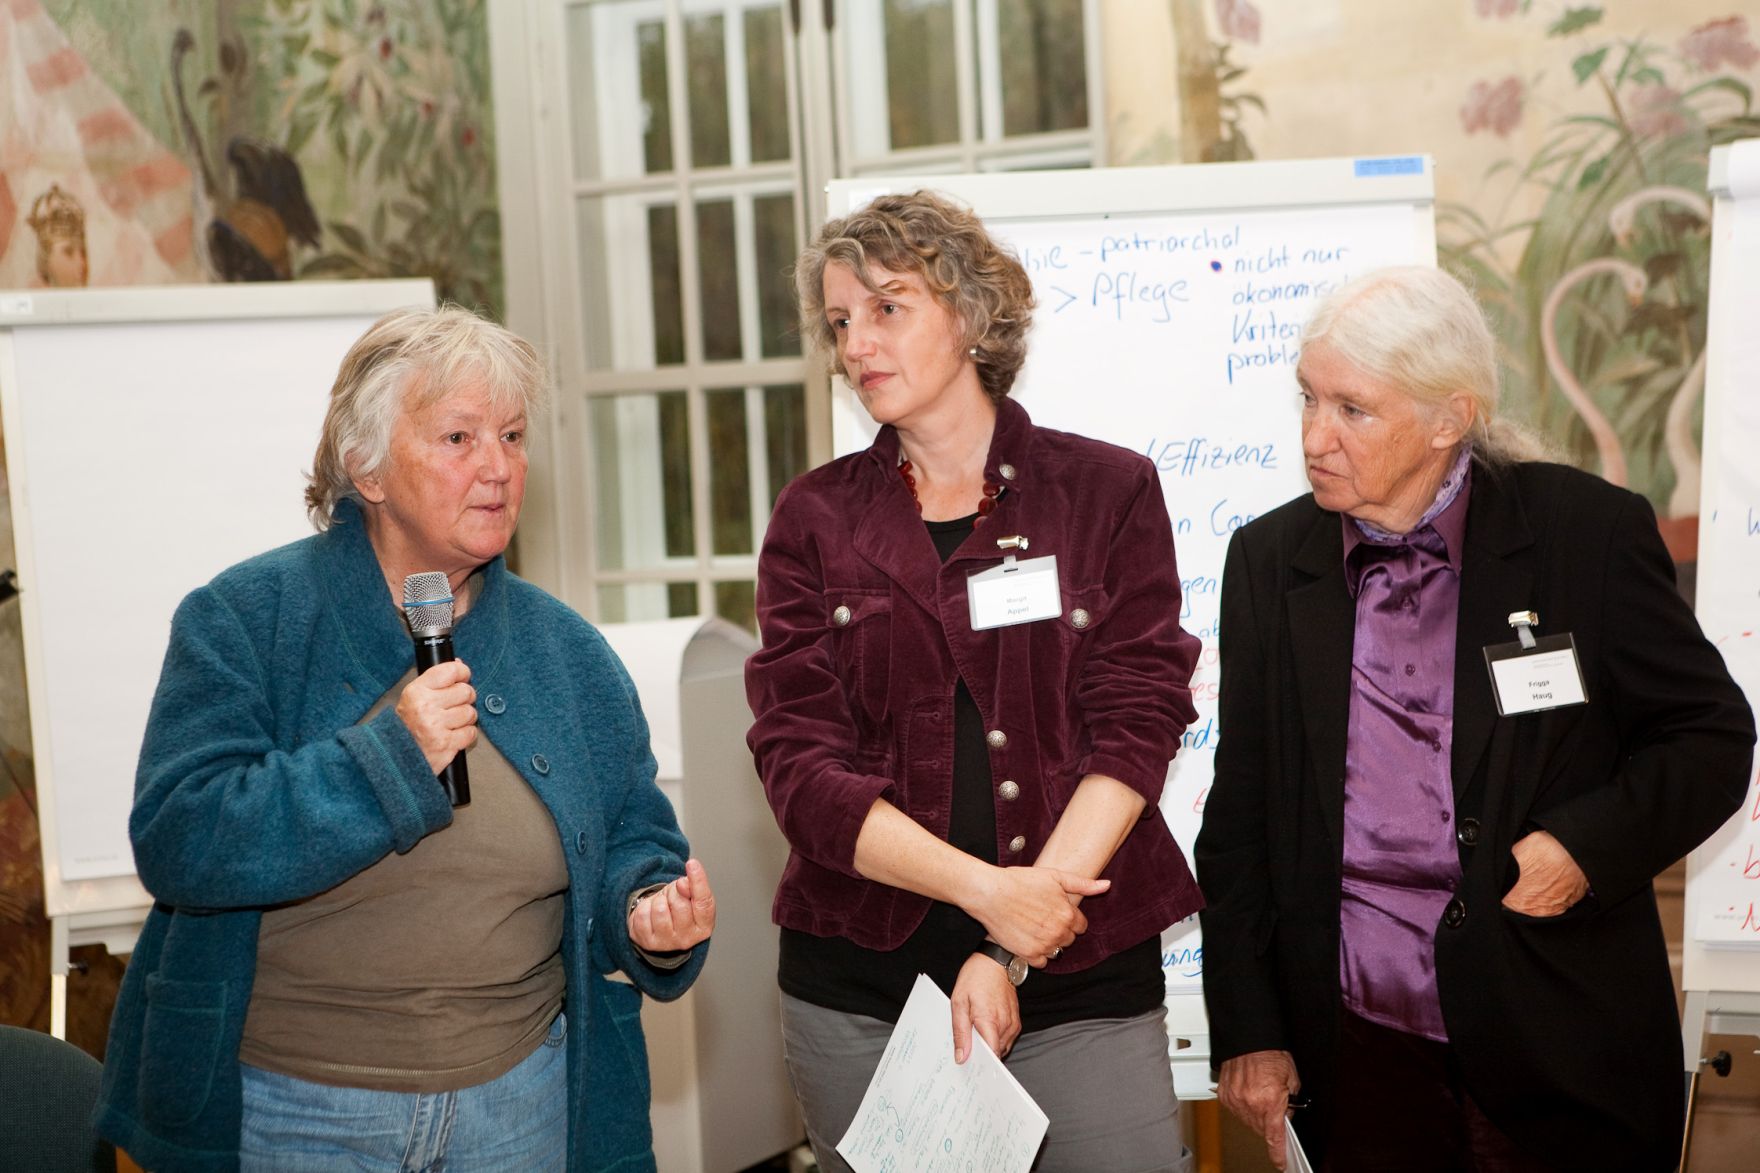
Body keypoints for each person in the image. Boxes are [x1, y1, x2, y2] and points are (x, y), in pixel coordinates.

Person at [94, 306, 715, 1172]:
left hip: (521, 1107)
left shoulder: (569, 653)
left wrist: (647, 912)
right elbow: (181, 837)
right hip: (291, 1109)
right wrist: (387, 762)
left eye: (512, 434)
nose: (498, 466)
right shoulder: (245, 619)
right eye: (460, 437)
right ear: (367, 466)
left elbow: (633, 841)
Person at [1196, 266, 1755, 1172]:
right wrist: (1250, 1028)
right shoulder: (1269, 559)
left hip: (1556, 1028)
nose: (1313, 436)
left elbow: (1709, 737)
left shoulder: (1583, 535)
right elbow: (1242, 813)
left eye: (1352, 409)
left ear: (1449, 418)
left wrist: (1583, 847)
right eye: (1307, 399)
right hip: (1357, 1039)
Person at [746, 191, 1203, 1172]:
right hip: (861, 992)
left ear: (965, 310)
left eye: (886, 308)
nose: (855, 343)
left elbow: (1136, 716)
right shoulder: (812, 520)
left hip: (1075, 974)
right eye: (838, 321)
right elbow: (798, 772)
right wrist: (985, 893)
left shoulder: (1105, 492)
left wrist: (1011, 940)